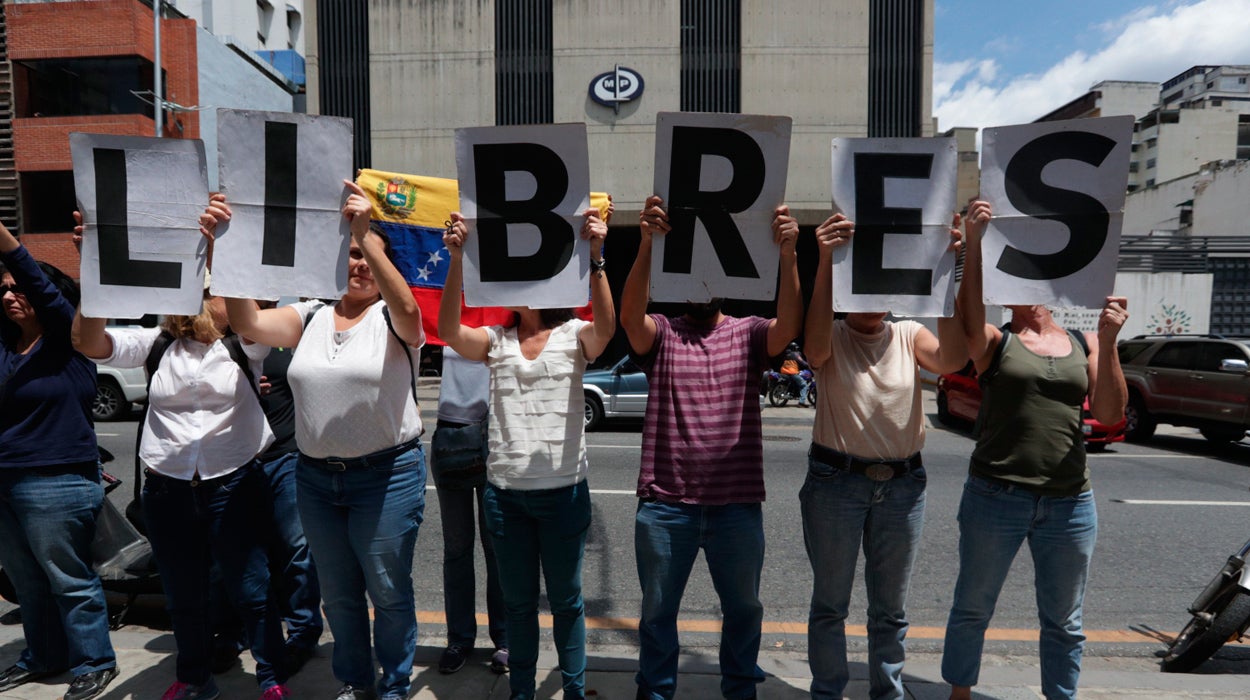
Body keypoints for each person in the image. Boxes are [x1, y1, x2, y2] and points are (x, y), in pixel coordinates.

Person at [221, 182, 428, 700]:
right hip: (315, 480)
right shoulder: (309, 313)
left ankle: (395, 684)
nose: (359, 263)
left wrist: (369, 234)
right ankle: (358, 683)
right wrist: (226, 244)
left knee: (388, 590)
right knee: (338, 596)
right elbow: (246, 321)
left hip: (387, 477)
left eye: (368, 254)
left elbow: (409, 308)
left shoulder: (394, 319)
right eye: (351, 253)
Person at [941, 200, 1129, 700]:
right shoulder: (995, 342)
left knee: (1065, 619)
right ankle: (960, 694)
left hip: (1070, 502)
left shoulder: (1082, 340)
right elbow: (968, 313)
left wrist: (1108, 343)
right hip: (995, 496)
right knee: (973, 606)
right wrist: (976, 244)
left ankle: (1060, 696)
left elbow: (1110, 414)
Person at [621, 196, 803, 700]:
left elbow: (788, 326)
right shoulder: (662, 332)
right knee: (658, 613)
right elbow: (629, 317)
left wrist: (788, 254)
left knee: (744, 609)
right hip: (665, 506)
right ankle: (655, 693)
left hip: (736, 508)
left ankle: (740, 691)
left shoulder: (749, 334)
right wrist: (645, 246)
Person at [73, 272, 288, 699]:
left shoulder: (244, 345)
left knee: (252, 590)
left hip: (234, 484)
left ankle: (271, 678)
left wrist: (222, 254)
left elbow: (249, 318)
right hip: (167, 490)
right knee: (183, 595)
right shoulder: (155, 342)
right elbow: (87, 342)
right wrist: (95, 275)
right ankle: (195, 678)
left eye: (212, 291)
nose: (202, 299)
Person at [438, 207, 615, 700]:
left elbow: (608, 326)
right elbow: (450, 330)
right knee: (518, 606)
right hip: (506, 498)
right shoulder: (495, 341)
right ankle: (522, 693)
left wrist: (597, 259)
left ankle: (574, 691)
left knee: (567, 602)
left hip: (563, 495)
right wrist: (455, 260)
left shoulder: (574, 335)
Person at [801, 212, 967, 700]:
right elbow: (811, 350)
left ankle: (887, 693)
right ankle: (827, 693)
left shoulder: (910, 334)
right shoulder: (830, 335)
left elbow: (953, 360)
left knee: (890, 610)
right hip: (836, 482)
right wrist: (827, 257)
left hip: (902, 488)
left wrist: (948, 269)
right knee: (831, 605)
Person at [0, 222, 119, 700]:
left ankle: (93, 661)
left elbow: (35, 279)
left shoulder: (69, 342)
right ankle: (44, 656)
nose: (10, 294)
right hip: (5, 479)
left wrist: (8, 244)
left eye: (18, 288)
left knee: (68, 579)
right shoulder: (5, 346)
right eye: (3, 288)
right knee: (26, 580)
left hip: (58, 480)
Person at [209, 310, 324, 677]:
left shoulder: (289, 330)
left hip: (286, 457)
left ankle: (303, 633)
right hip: (233, 462)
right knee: (232, 557)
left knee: (296, 549)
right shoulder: (216, 343)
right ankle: (230, 634)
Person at [431, 344, 508, 676]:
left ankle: (505, 638)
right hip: (451, 431)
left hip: (497, 433)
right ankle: (459, 638)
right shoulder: (442, 307)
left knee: (497, 548)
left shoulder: (506, 310)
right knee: (457, 548)